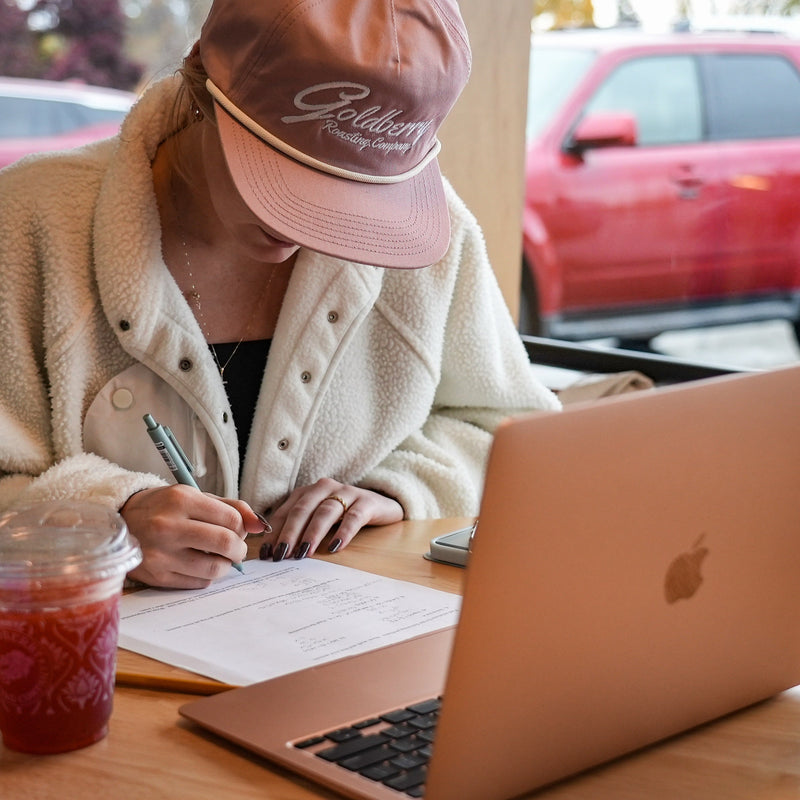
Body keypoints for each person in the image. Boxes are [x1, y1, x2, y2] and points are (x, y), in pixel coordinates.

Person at [0, 0, 559, 589]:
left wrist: (399, 487)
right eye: (287, 174)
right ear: (204, 82)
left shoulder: (433, 238)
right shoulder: (28, 223)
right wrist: (104, 517)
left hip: (349, 654)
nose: (308, 227)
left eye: (355, 194)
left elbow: (515, 432)